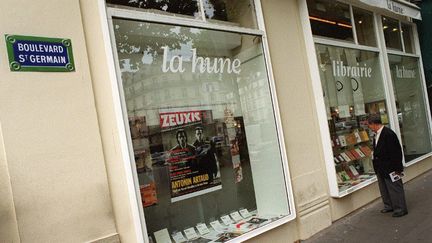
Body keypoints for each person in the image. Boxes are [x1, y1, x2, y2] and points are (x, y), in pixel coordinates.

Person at [367, 114, 408, 217]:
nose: (369, 127)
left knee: (395, 188)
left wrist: (398, 169)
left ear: (374, 124)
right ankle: (389, 205)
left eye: (369, 125)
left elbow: (396, 153)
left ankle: (400, 209)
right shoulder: (376, 135)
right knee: (384, 188)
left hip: (391, 167)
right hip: (380, 168)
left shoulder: (389, 134)